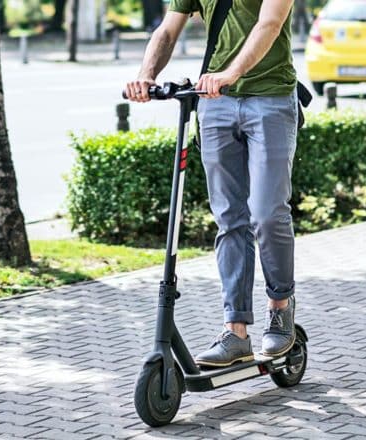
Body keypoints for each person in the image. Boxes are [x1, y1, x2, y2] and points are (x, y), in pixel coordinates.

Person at [124, 0, 299, 368]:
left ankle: (280, 308)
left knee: (268, 214)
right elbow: (169, 29)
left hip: (269, 97)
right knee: (229, 218)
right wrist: (146, 74)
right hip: (215, 103)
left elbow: (269, 23)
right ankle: (235, 331)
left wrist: (230, 73)